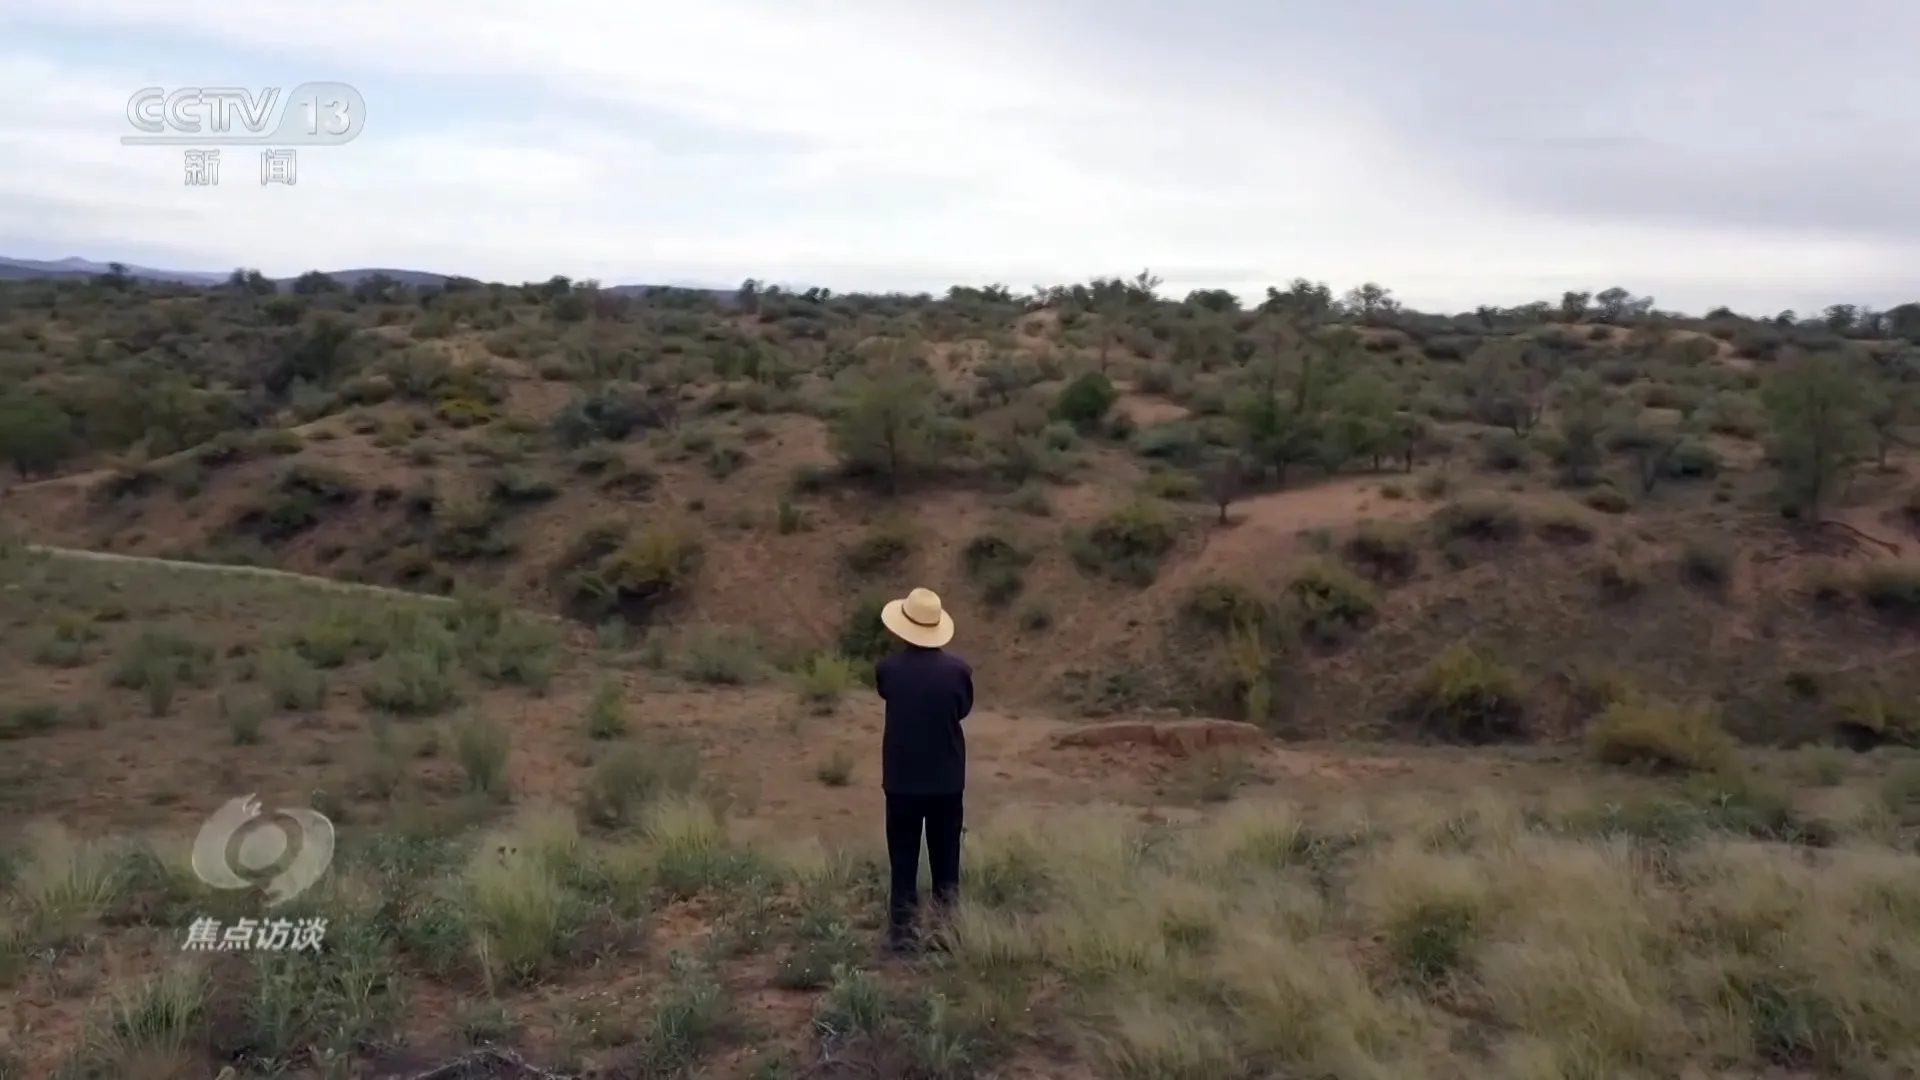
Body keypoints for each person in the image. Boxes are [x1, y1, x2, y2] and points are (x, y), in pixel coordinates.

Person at [873, 586, 974, 952]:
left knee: (903, 860)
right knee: (946, 860)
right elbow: (962, 710)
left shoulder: (888, 670)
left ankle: (902, 935)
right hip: (947, 780)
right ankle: (947, 934)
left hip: (901, 782)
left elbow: (887, 694)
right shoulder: (959, 671)